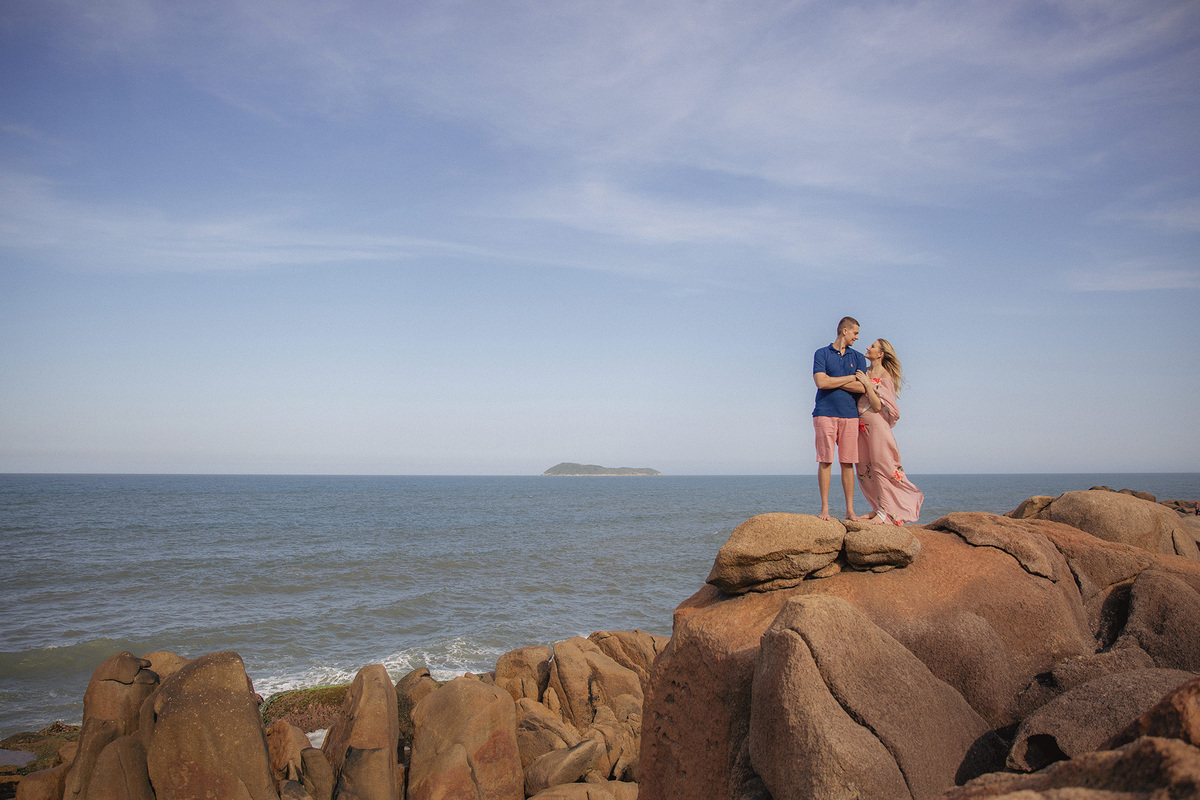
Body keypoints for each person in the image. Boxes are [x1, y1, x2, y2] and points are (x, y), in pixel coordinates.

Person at [854, 338, 923, 524]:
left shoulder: (885, 376)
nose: (868, 348)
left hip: (876, 425)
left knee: (881, 466)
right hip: (861, 426)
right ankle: (877, 508)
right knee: (863, 468)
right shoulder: (865, 371)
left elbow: (877, 406)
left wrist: (867, 384)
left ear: (880, 354)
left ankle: (885, 512)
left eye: (873, 346)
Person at [812, 317, 867, 520]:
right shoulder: (822, 353)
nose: (857, 337)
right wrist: (849, 378)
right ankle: (825, 509)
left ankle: (850, 510)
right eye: (855, 333)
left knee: (847, 462)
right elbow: (820, 382)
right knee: (825, 460)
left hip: (850, 415)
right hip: (824, 412)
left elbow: (862, 387)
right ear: (845, 331)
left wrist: (832, 381)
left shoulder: (859, 357)